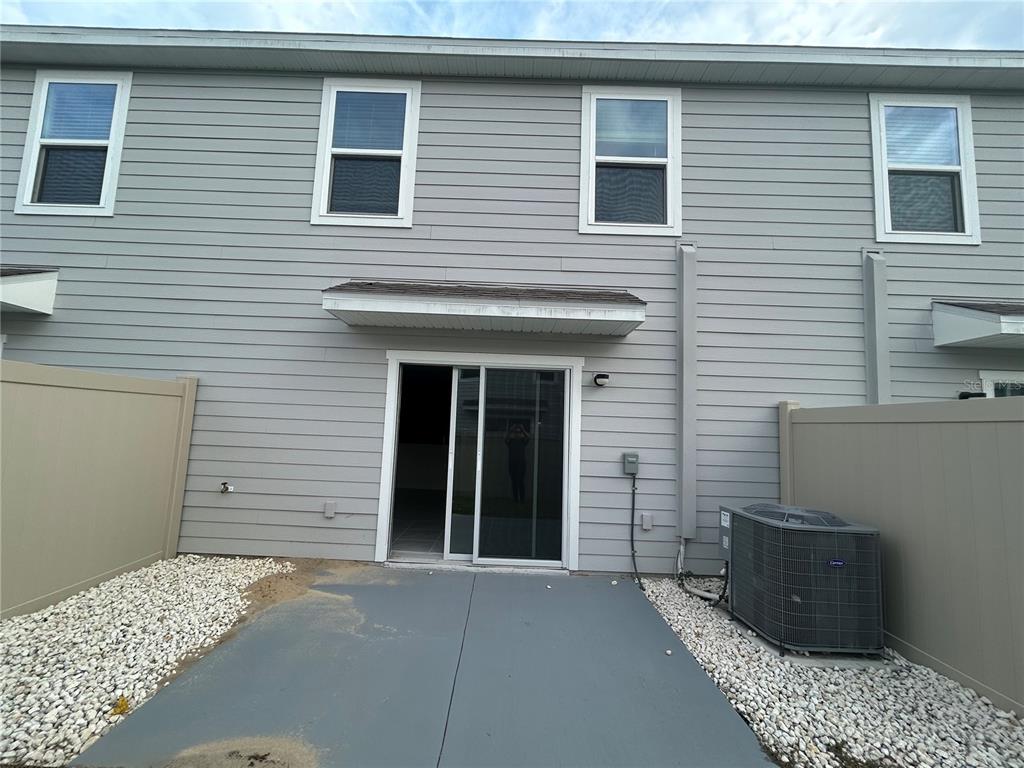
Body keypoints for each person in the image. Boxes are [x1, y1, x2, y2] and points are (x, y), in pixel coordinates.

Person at [505, 421, 530, 502]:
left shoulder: (523, 441)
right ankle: (515, 499)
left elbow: (528, 437)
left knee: (520, 481)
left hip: (521, 463)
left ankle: (522, 499)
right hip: (512, 463)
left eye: (518, 432)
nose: (517, 434)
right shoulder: (511, 441)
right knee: (514, 481)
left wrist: (523, 430)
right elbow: (505, 439)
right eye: (515, 432)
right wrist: (510, 430)